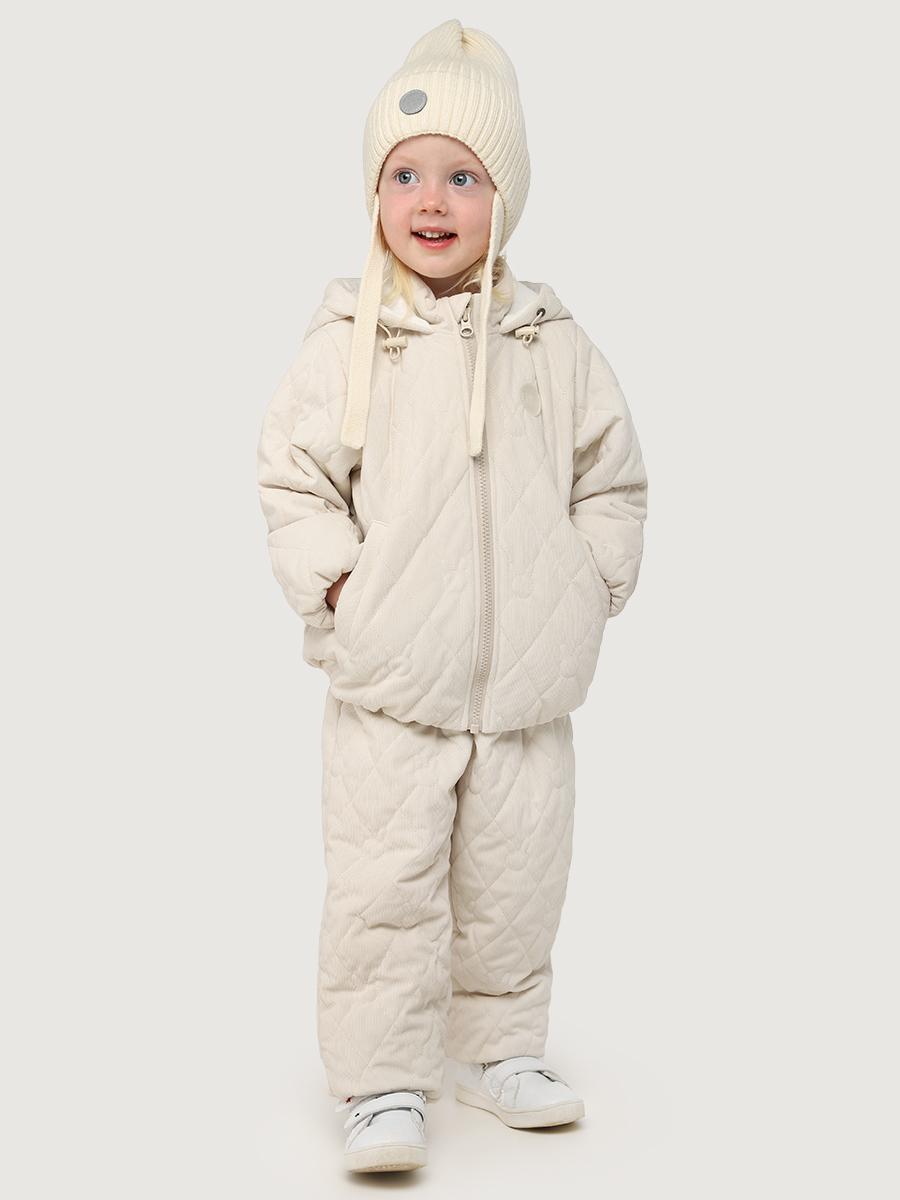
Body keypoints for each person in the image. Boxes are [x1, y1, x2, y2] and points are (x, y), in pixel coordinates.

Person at [257, 19, 647, 1174]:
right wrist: (338, 583)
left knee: (516, 883)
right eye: (406, 174)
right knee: (384, 885)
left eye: (464, 177)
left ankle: (497, 1051)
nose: (432, 200)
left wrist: (590, 582)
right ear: (375, 193)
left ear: (504, 197)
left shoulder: (551, 342)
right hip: (390, 684)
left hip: (527, 689)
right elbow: (294, 478)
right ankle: (383, 1080)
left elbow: (612, 475)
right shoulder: (351, 340)